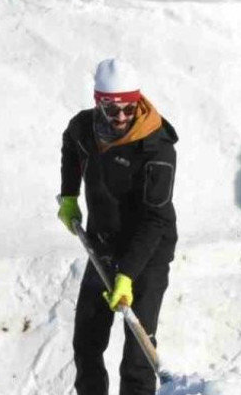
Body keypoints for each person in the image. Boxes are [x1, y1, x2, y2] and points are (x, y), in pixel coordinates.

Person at [57, 58, 179, 395]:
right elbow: (71, 145)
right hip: (103, 245)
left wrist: (127, 274)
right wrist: (69, 195)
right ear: (99, 103)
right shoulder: (85, 127)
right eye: (113, 110)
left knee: (138, 354)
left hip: (148, 252)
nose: (122, 116)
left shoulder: (157, 147)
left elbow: (155, 219)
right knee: (87, 341)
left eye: (129, 108)